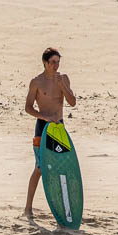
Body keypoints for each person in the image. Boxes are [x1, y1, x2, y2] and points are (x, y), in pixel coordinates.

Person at [23, 47, 76, 217]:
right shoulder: (37, 82)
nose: (56, 65)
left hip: (59, 128)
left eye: (58, 62)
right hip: (42, 127)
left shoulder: (63, 79)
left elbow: (72, 102)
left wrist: (62, 86)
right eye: (53, 62)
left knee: (62, 167)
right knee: (40, 168)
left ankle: (63, 208)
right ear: (45, 63)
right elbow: (28, 107)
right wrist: (43, 117)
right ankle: (28, 208)